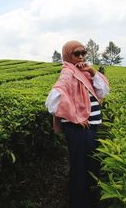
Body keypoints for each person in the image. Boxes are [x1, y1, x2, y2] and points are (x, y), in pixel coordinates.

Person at [45, 40, 109, 208]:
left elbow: (103, 91)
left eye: (83, 52)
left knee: (91, 163)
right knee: (80, 166)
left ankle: (89, 197)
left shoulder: (84, 72)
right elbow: (52, 102)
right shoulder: (67, 73)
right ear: (67, 55)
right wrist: (75, 118)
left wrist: (92, 71)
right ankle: (79, 201)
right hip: (78, 129)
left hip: (90, 127)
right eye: (76, 53)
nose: (81, 56)